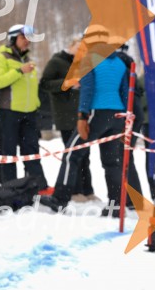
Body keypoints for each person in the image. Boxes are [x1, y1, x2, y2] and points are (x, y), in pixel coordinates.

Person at [40, 25, 143, 216]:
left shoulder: (89, 60)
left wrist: (82, 117)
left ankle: (59, 199)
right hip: (117, 116)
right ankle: (116, 206)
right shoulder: (120, 62)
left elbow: (87, 91)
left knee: (72, 154)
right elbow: (125, 92)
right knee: (112, 162)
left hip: (96, 113)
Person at [40, 35, 96, 201]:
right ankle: (74, 191)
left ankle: (87, 190)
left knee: (85, 154)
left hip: (82, 114)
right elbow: (45, 83)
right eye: (79, 48)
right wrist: (68, 83)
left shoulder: (84, 64)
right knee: (73, 156)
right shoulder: (57, 61)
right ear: (71, 46)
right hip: (65, 115)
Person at [0, 24, 47, 187]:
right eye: (23, 38)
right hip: (9, 112)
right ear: (13, 39)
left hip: (29, 113)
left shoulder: (29, 60)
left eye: (29, 38)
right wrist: (19, 71)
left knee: (32, 151)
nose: (27, 41)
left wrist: (36, 106)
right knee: (8, 152)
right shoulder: (1, 57)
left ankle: (38, 186)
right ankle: (10, 187)